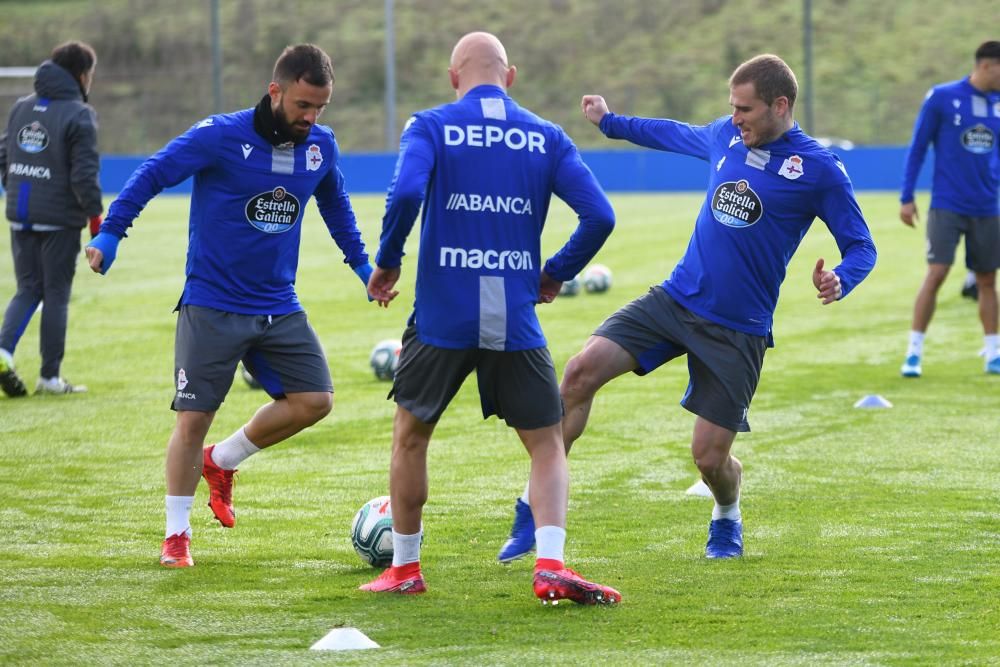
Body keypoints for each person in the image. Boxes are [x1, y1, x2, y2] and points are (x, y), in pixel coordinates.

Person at [496, 53, 877, 563]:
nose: (735, 117)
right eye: (732, 107)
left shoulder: (818, 171)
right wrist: (611, 123)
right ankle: (532, 509)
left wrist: (840, 278)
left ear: (780, 105)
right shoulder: (726, 135)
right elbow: (672, 133)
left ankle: (726, 515)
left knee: (710, 459)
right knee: (580, 372)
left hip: (737, 330)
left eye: (745, 108)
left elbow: (862, 246)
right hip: (675, 300)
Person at [85, 44, 374, 568]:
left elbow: (336, 208)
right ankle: (176, 535)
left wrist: (363, 268)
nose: (312, 118)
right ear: (275, 91)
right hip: (212, 302)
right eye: (304, 106)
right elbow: (152, 173)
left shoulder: (320, 147)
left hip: (277, 304)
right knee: (193, 419)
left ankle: (223, 461)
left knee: (315, 400)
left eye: (321, 108)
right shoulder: (220, 135)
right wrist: (111, 235)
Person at [362, 32, 620, 605]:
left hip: (441, 315)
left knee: (411, 439)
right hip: (515, 315)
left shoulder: (431, 125)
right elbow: (600, 215)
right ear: (511, 76)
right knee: (547, 444)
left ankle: (405, 568)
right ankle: (550, 564)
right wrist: (555, 272)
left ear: (454, 78)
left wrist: (387, 261)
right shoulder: (546, 136)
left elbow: (405, 194)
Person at [0, 41, 103, 398]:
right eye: (91, 74)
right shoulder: (79, 114)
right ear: (80, 75)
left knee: (28, 288)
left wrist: (12, 189)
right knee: (56, 294)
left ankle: (2, 352)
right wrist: (95, 217)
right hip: (59, 220)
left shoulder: (21, 107)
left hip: (20, 215)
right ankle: (50, 377)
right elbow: (84, 174)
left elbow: (5, 153)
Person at [899, 41, 1000, 378]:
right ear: (987, 66)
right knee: (937, 273)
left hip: (988, 207)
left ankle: (993, 353)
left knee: (987, 279)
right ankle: (913, 352)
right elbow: (917, 147)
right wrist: (906, 196)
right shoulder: (943, 97)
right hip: (948, 204)